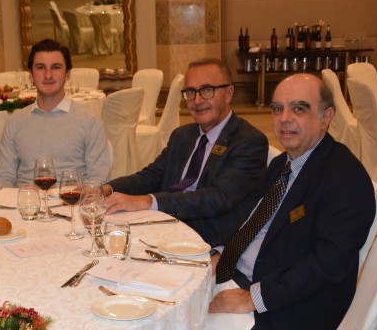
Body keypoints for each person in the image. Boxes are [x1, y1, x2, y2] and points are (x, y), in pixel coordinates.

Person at [204, 73, 375, 330]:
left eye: (298, 109)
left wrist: (252, 298)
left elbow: (329, 265)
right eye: (277, 108)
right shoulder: (282, 164)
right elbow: (253, 224)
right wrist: (221, 253)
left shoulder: (345, 178)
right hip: (238, 278)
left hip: (286, 312)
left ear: (326, 117)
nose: (284, 119)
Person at [104, 58, 267, 246]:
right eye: (190, 92)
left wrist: (149, 201)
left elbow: (216, 198)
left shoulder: (249, 141)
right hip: (162, 227)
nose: (197, 101)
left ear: (229, 93)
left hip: (205, 241)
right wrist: (108, 189)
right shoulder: (183, 135)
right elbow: (153, 176)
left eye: (207, 90)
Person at [0, 38, 110, 187]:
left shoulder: (90, 123)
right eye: (41, 67)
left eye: (55, 67)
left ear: (67, 74)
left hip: (72, 200)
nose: (48, 75)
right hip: (24, 201)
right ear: (31, 76)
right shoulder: (15, 122)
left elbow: (99, 181)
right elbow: (3, 177)